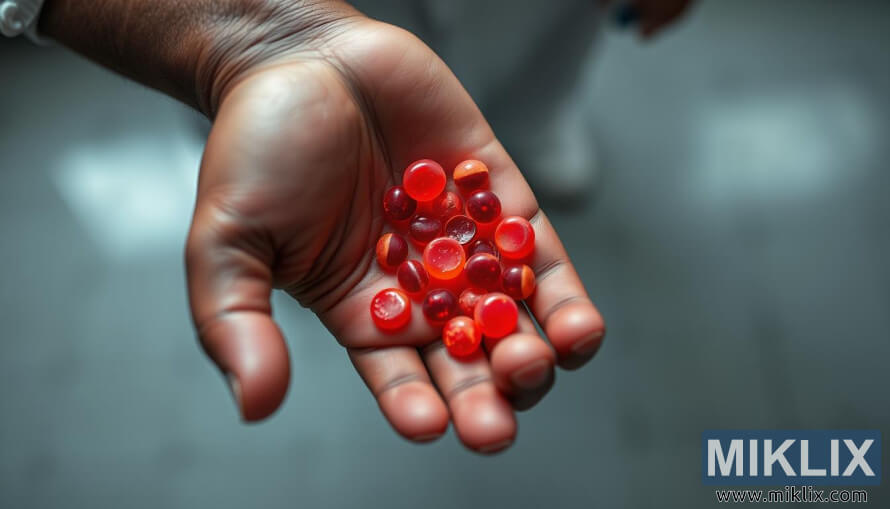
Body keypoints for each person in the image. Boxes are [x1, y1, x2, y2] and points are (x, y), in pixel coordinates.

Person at [3, 0, 691, 454]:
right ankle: (306, 222)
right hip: (269, 31)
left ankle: (534, 131)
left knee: (534, 87)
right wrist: (255, 39)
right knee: (309, 173)